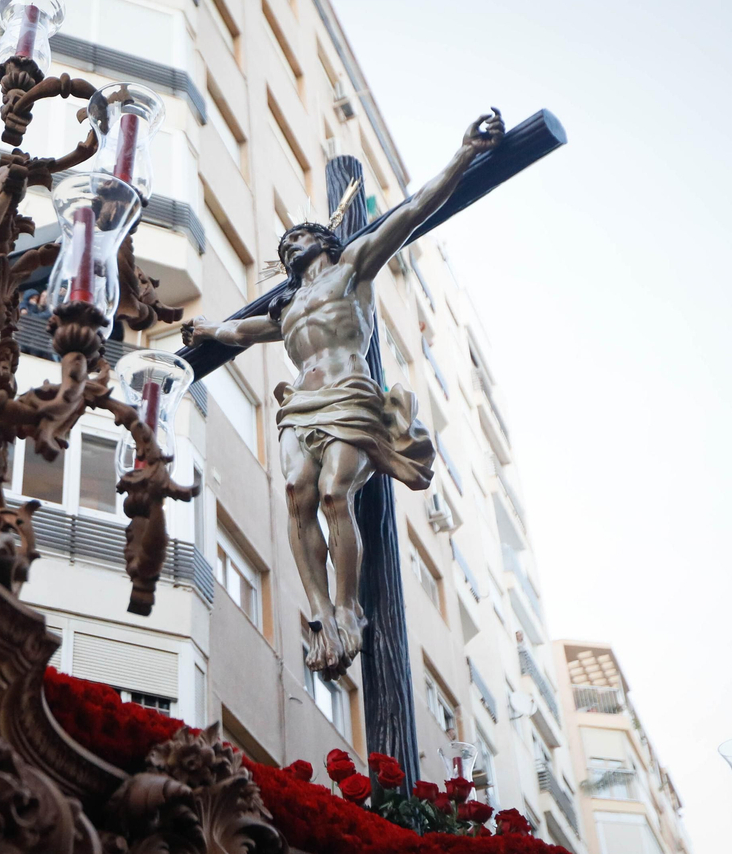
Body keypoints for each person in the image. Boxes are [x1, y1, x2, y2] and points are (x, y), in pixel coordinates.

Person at [182, 110, 503, 676]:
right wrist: (206, 331)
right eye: (284, 246)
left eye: (299, 237)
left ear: (324, 241)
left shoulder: (351, 270)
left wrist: (464, 153)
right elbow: (235, 332)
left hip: (349, 391)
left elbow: (410, 212)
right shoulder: (282, 309)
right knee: (296, 494)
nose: (290, 246)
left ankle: (349, 607)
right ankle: (319, 611)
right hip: (298, 406)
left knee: (335, 492)